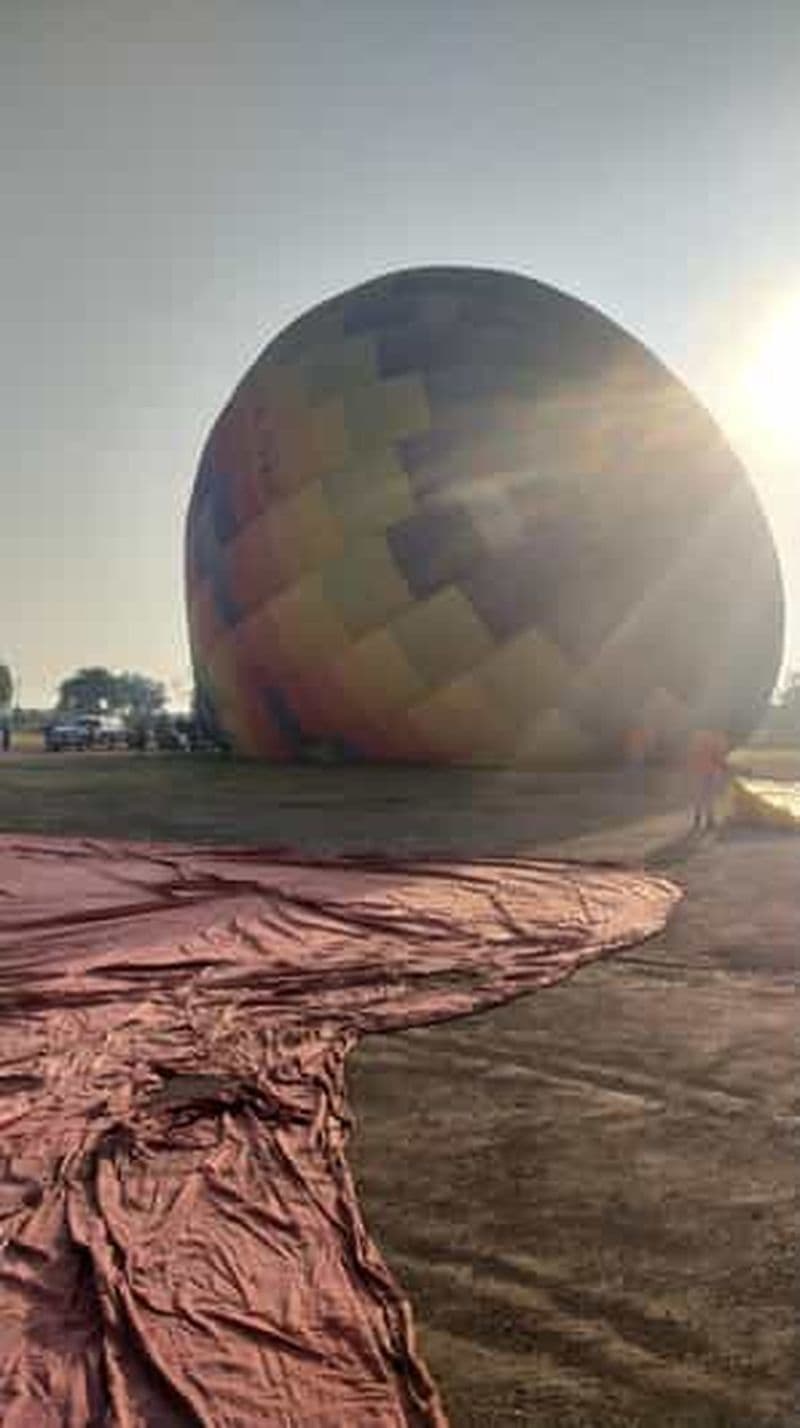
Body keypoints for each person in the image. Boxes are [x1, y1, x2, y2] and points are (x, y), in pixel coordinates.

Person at [687, 727, 729, 832]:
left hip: (697, 769)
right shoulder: (719, 737)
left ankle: (697, 819)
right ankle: (709, 820)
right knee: (709, 796)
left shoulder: (698, 735)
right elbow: (718, 756)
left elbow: (692, 752)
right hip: (711, 771)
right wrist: (724, 766)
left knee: (699, 795)